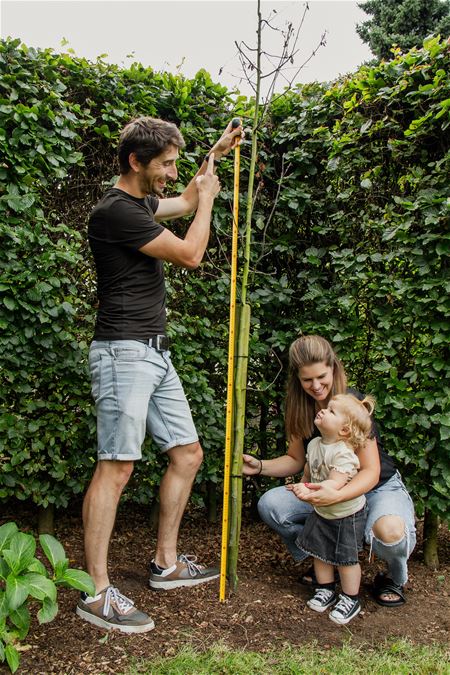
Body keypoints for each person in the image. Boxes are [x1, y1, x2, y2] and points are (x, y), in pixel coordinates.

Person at [77, 116, 243, 633]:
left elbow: (189, 198)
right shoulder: (115, 213)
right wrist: (213, 197)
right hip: (123, 352)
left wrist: (212, 156)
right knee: (117, 467)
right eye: (166, 164)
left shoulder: (139, 204)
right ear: (136, 163)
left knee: (188, 454)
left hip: (153, 353)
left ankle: (165, 564)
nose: (173, 173)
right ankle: (97, 591)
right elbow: (192, 252)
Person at [243, 334, 416, 610]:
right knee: (272, 505)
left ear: (333, 367)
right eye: (307, 380)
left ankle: (392, 577)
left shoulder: (352, 403)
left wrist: (334, 496)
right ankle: (325, 559)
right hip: (327, 489)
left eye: (321, 376)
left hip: (376, 487)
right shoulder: (299, 408)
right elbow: (296, 460)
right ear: (298, 379)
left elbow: (370, 471)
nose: (316, 385)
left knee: (390, 532)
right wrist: (260, 466)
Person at [287, 393, 374, 625]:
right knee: (320, 552)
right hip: (322, 510)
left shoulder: (344, 452)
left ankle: (350, 598)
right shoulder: (315, 444)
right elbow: (309, 471)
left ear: (344, 430)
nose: (324, 410)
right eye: (328, 408)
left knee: (346, 559)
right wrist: (302, 484)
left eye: (332, 411)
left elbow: (335, 483)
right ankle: (325, 589)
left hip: (346, 515)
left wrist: (311, 492)